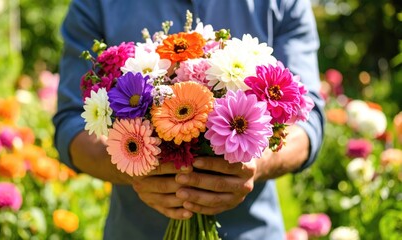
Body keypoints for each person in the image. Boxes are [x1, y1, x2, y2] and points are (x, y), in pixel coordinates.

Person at [53, 0, 325, 239]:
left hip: (250, 231)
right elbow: (72, 123)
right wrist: (129, 162)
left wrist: (254, 159)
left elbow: (307, 117)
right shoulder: (95, 4)